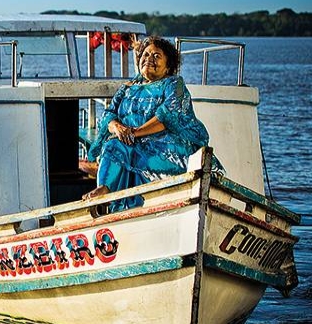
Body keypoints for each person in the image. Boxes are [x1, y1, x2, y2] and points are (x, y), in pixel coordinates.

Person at [80, 35, 221, 212]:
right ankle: (104, 191)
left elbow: (167, 116)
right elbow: (109, 115)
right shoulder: (127, 88)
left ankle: (134, 203)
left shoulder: (173, 84)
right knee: (113, 145)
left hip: (165, 145)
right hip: (128, 142)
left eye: (156, 56)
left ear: (168, 66)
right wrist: (117, 126)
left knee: (132, 152)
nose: (149, 59)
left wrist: (133, 133)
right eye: (145, 55)